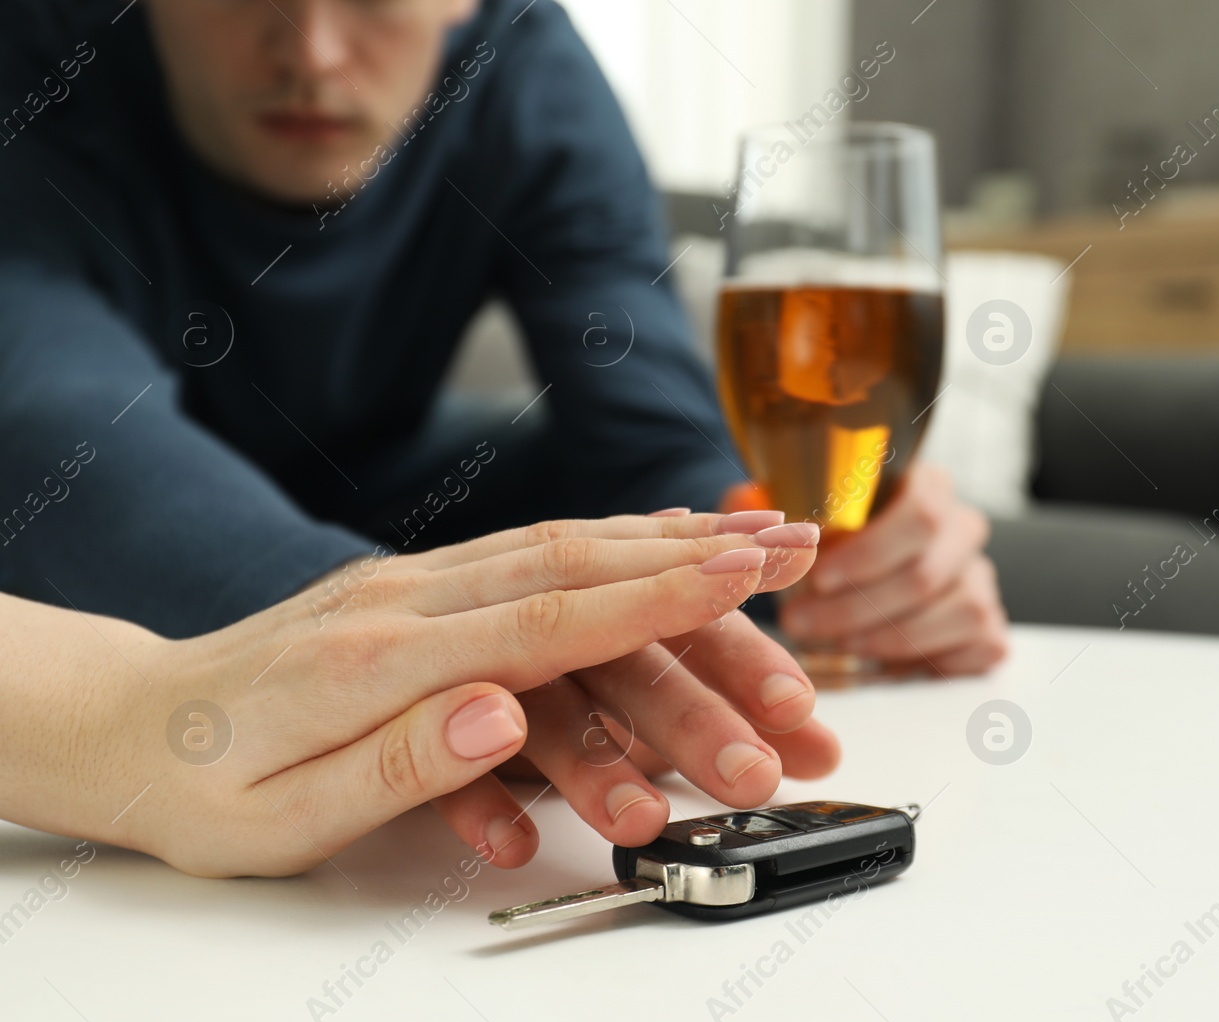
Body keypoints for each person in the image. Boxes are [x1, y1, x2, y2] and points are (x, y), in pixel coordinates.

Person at [0, 0, 1007, 865]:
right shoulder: (39, 51)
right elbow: (52, 425)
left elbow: (647, 426)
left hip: (396, 497)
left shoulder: (523, 61)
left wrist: (782, 565)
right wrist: (381, 637)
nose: (309, 50)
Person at [0, 513, 844, 876]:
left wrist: (847, 576)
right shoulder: (55, 158)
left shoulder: (538, 137)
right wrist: (119, 709)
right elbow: (50, 399)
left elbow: (639, 396)